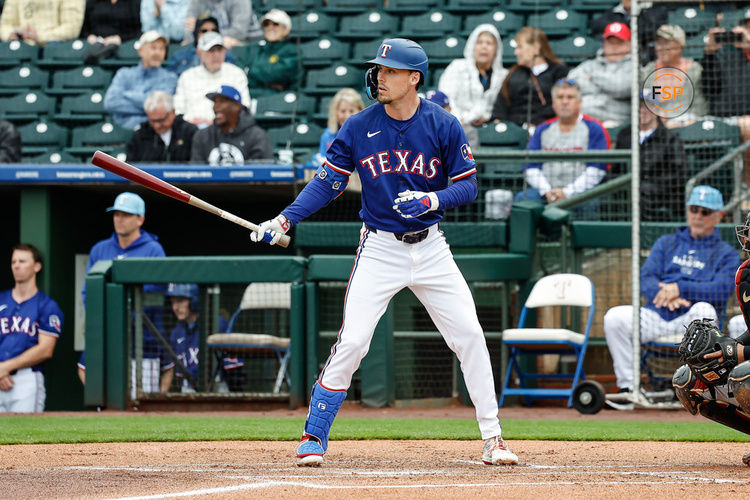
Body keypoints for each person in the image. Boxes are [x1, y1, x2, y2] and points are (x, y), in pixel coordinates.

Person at [249, 38, 518, 467]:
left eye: (390, 71)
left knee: (469, 334)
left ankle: (494, 437)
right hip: (379, 247)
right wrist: (285, 220)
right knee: (353, 340)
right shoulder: (358, 125)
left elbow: (468, 185)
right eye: (378, 69)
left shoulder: (444, 124)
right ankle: (314, 434)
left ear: (415, 78)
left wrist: (432, 201)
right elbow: (328, 182)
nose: (380, 76)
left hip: (431, 247)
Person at [604, 185, 740, 409]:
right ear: (687, 211)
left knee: (704, 310)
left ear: (718, 216)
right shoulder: (667, 243)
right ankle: (628, 388)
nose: (698, 216)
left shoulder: (725, 252)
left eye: (705, 212)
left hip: (693, 323)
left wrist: (680, 288)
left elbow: (722, 288)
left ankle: (703, 388)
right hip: (657, 316)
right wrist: (663, 293)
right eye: (694, 209)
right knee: (615, 317)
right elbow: (646, 277)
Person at [672, 210, 750, 467]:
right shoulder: (746, 276)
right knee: (690, 381)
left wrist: (741, 354)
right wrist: (731, 346)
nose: (747, 238)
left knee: (745, 376)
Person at [77, 192, 169, 394]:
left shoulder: (154, 250)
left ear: (140, 219)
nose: (119, 219)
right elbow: (88, 294)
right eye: (116, 214)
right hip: (108, 343)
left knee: (142, 411)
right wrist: (103, 322)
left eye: (126, 215)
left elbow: (155, 296)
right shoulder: (100, 250)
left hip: (143, 345)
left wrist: (121, 316)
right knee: (106, 406)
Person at [516, 79, 610, 205]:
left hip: (581, 193)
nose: (564, 102)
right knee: (523, 199)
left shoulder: (594, 128)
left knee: (590, 202)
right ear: (553, 103)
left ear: (579, 102)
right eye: (560, 97)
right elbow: (530, 168)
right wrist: (547, 191)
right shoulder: (542, 129)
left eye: (570, 97)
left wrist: (567, 192)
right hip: (545, 193)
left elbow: (596, 170)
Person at [0, 244, 62, 412]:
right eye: (14, 262)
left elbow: (45, 349)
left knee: (24, 435)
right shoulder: (1, 300)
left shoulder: (47, 305)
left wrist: (5, 367)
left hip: (26, 379)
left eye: (22, 261)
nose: (16, 266)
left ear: (36, 266)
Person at [614, 93, 688, 222]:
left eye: (648, 106)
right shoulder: (625, 135)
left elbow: (679, 173)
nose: (643, 111)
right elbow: (615, 169)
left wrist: (647, 186)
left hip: (659, 195)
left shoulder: (669, 138)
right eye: (639, 107)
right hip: (626, 192)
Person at [161, 283, 244, 393]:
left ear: (194, 300)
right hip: (189, 387)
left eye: (180, 301)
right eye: (173, 302)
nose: (175, 307)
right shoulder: (177, 332)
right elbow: (172, 370)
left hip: (217, 387)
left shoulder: (217, 324)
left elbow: (234, 369)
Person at [438, 23, 507, 149]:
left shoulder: (503, 75)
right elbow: (446, 98)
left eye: (489, 43)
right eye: (480, 42)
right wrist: (459, 120)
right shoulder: (457, 67)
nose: (484, 47)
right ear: (472, 46)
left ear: (496, 49)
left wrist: (489, 117)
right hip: (458, 125)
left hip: (490, 128)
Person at [702, 15, 750, 185]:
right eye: (746, 26)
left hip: (745, 118)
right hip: (719, 116)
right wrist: (710, 54)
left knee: (747, 126)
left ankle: (746, 188)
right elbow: (709, 88)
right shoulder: (722, 54)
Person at [490, 26, 568, 130]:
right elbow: (499, 108)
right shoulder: (513, 74)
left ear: (536, 48)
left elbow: (563, 103)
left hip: (548, 128)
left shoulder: (559, 72)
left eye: (520, 47)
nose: (515, 53)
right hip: (515, 130)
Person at [173, 31, 250, 127]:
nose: (216, 55)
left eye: (219, 50)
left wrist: (214, 122)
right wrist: (190, 122)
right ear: (199, 53)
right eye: (211, 50)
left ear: (225, 51)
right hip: (192, 128)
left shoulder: (236, 74)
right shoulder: (187, 76)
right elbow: (178, 109)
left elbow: (244, 107)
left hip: (225, 128)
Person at [103, 30, 178, 130]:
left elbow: (159, 109)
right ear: (140, 51)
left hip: (152, 131)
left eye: (161, 49)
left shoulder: (170, 78)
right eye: (153, 48)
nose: (158, 53)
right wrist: (147, 104)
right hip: (121, 130)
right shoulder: (124, 74)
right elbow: (111, 103)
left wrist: (128, 95)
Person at [568, 22, 633, 128]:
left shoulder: (633, 65)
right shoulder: (590, 64)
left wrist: (592, 78)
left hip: (618, 121)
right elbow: (570, 83)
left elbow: (621, 87)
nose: (614, 48)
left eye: (619, 43)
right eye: (610, 43)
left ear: (629, 45)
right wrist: (607, 89)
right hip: (584, 119)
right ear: (604, 43)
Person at [641, 25, 708, 125]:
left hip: (689, 123)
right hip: (657, 126)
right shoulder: (648, 71)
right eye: (658, 43)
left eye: (666, 43)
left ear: (680, 45)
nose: (661, 48)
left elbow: (699, 107)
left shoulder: (695, 70)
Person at [190, 85, 272, 165]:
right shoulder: (202, 136)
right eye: (215, 102)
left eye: (222, 101)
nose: (216, 107)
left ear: (237, 106)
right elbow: (196, 173)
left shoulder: (257, 136)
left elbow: (261, 173)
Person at [239, 9, 299, 97]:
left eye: (275, 24)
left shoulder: (292, 50)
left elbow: (278, 75)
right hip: (253, 94)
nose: (270, 28)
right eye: (266, 24)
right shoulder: (258, 48)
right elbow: (242, 75)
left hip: (280, 97)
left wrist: (249, 71)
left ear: (286, 30)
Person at [126, 90, 197, 163]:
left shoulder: (189, 132)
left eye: (161, 120)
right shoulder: (139, 136)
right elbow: (130, 167)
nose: (157, 126)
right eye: (152, 121)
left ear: (172, 112)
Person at [164, 15, 239, 77]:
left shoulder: (227, 55)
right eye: (204, 31)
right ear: (196, 33)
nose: (209, 34)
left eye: (214, 30)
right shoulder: (180, 56)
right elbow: (169, 79)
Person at [590, 0, 667, 60]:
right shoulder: (611, 12)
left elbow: (649, 31)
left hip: (646, 56)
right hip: (619, 57)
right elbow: (597, 26)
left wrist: (622, 29)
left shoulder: (656, 10)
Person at [311, 87, 365, 169]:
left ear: (360, 110)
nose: (347, 116)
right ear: (335, 112)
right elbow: (322, 163)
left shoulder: (369, 134)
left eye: (351, 111)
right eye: (343, 111)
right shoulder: (327, 135)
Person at [182, 0, 262, 49]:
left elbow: (239, 32)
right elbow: (189, 29)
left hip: (247, 42)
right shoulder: (197, 1)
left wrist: (205, 35)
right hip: (213, 41)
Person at [0, 0, 84, 44]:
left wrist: (39, 36)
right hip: (20, 45)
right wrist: (13, 33)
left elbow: (71, 28)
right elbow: (5, 25)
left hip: (52, 47)